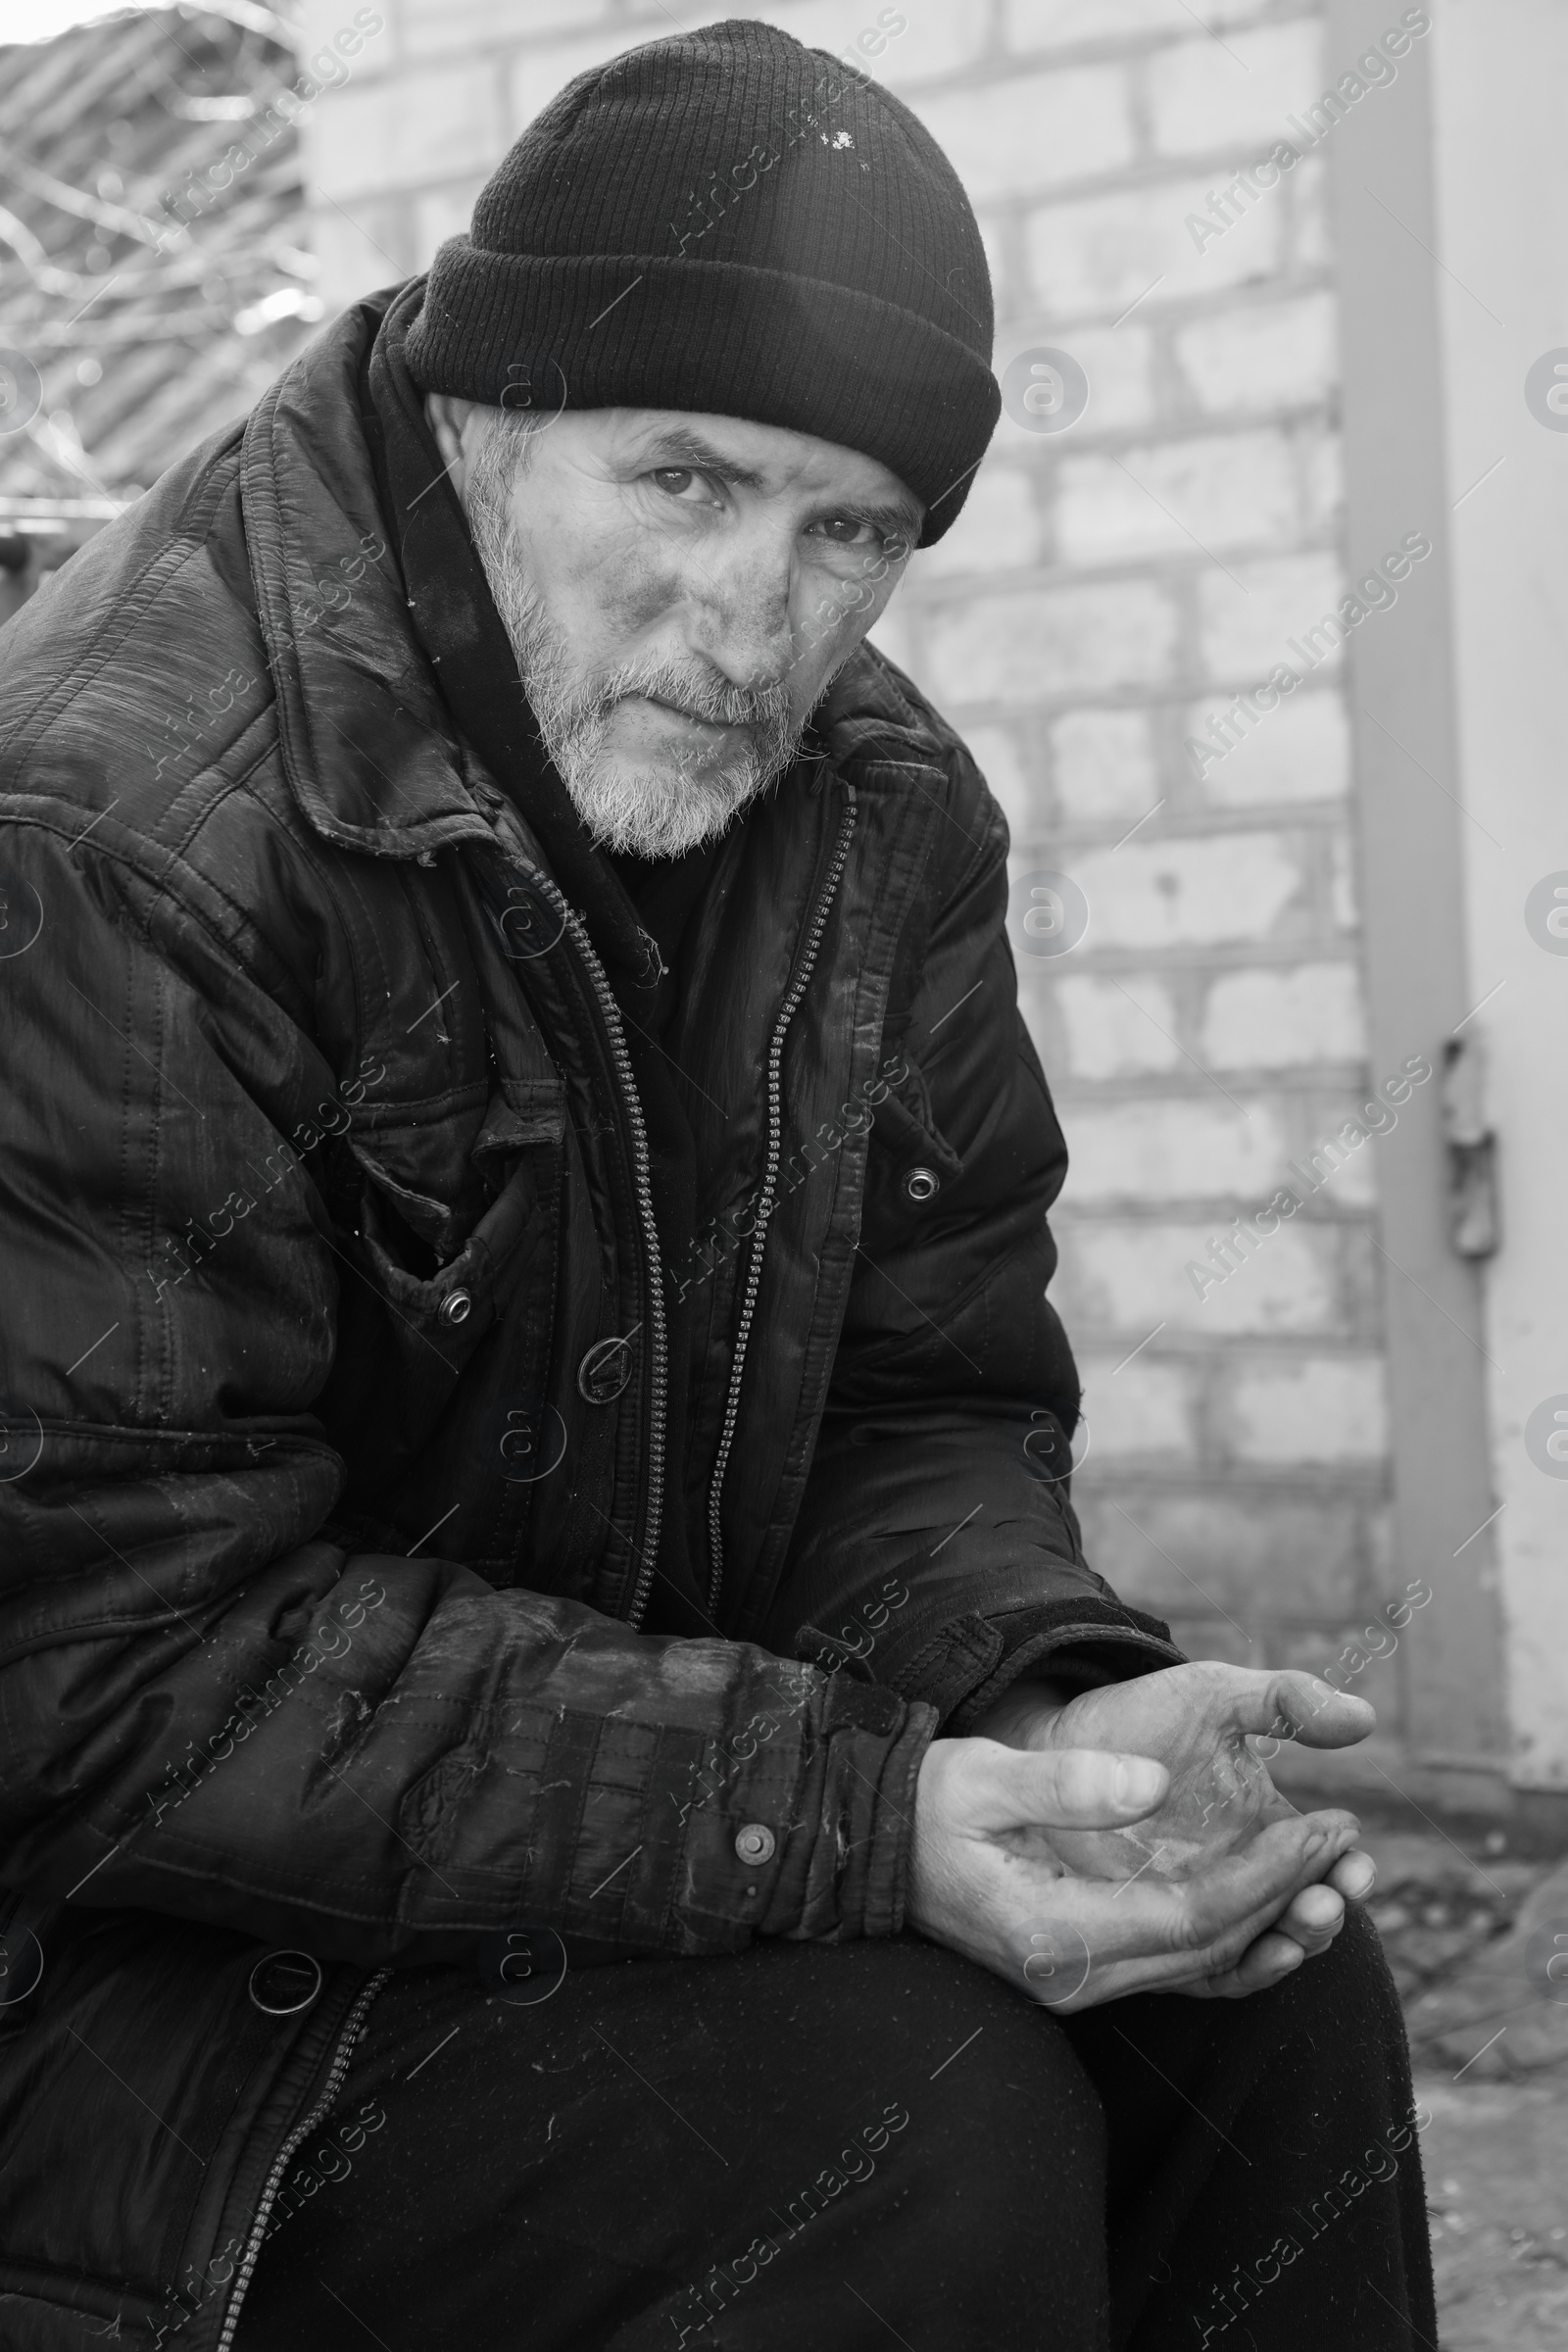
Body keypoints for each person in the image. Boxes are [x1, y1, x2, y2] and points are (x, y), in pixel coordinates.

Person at [0, 19, 1435, 2349]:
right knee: (895, 2133)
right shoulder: (114, 839)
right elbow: (103, 1664)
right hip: (112, 1960)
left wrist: (1025, 1704)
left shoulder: (872, 818)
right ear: (477, 419)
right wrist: (852, 1816)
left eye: (847, 528)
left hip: (532, 1834)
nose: (751, 621)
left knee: (1251, 2016)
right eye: (680, 480)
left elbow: (914, 1402)